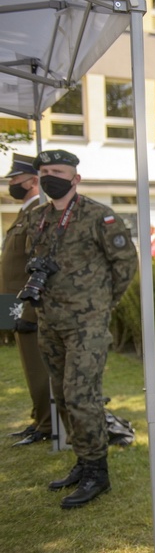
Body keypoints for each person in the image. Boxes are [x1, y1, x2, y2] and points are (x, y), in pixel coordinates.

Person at [23, 149, 137, 509]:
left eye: (57, 170)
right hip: (50, 321)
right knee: (60, 392)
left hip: (86, 323)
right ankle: (83, 461)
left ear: (75, 178)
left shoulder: (98, 216)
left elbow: (126, 264)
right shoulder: (38, 218)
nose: (48, 176)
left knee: (80, 394)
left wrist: (101, 303)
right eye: (43, 171)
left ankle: (97, 473)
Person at [2, 153, 52, 446]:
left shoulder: (38, 214)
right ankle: (38, 418)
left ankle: (46, 424)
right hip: (13, 302)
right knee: (26, 362)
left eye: (15, 179)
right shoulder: (24, 213)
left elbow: (37, 263)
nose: (11, 184)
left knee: (36, 364)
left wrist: (30, 312)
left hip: (27, 306)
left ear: (33, 181)